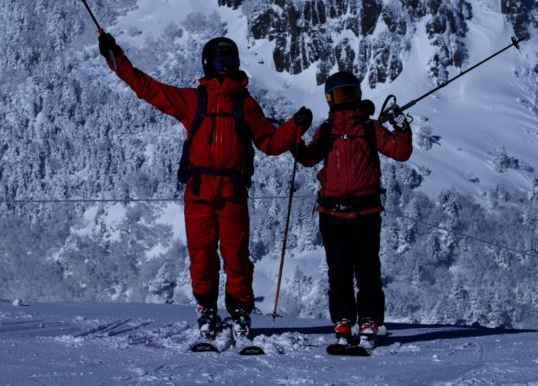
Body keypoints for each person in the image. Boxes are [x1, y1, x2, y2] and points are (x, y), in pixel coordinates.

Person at [98, 32, 313, 340]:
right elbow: (145, 87)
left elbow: (269, 142)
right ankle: (207, 309)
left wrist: (295, 127)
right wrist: (113, 56)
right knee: (203, 256)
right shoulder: (193, 100)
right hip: (200, 191)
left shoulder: (246, 105)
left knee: (236, 255)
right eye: (219, 60)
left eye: (231, 60)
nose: (225, 66)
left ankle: (239, 310)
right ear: (208, 64)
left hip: (232, 192)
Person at [293, 71, 412, 346]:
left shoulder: (370, 128)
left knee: (367, 269)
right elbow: (309, 158)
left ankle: (370, 319)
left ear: (359, 95)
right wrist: (294, 138)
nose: (345, 101)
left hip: (365, 212)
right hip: (332, 213)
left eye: (350, 94)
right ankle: (343, 319)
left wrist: (402, 129)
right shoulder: (327, 130)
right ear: (330, 100)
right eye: (339, 95)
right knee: (339, 270)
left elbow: (400, 152)